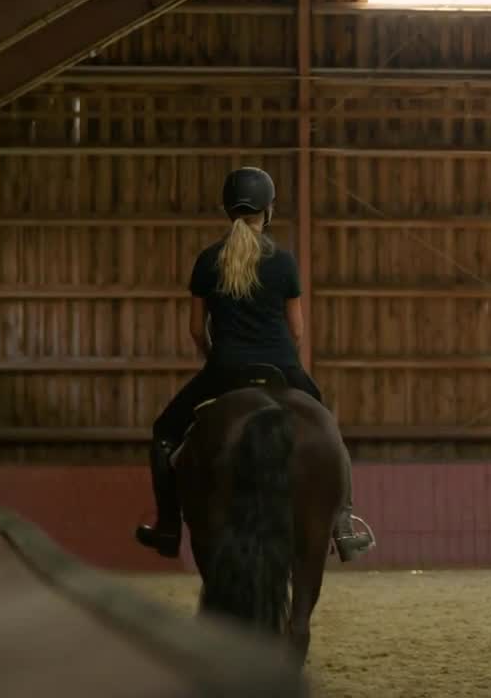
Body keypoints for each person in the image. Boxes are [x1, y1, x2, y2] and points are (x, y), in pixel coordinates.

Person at [135, 166, 372, 561]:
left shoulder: (208, 260)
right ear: (269, 210)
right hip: (282, 367)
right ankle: (344, 524)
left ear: (228, 210)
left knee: (164, 434)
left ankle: (168, 527)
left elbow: (196, 329)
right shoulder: (283, 261)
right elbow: (296, 330)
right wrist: (283, 359)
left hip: (225, 369)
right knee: (328, 429)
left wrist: (217, 362)